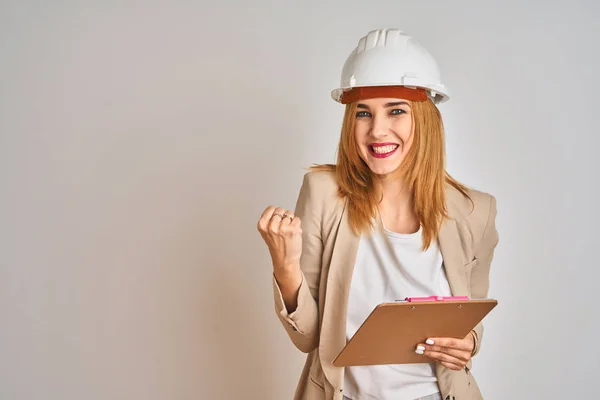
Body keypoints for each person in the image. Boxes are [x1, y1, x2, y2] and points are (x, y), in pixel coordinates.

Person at [257, 29, 499, 400]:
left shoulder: (474, 211)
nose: (377, 130)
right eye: (363, 113)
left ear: (426, 119)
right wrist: (284, 265)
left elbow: (470, 319)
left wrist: (468, 342)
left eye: (396, 111)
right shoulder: (324, 194)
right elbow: (308, 338)